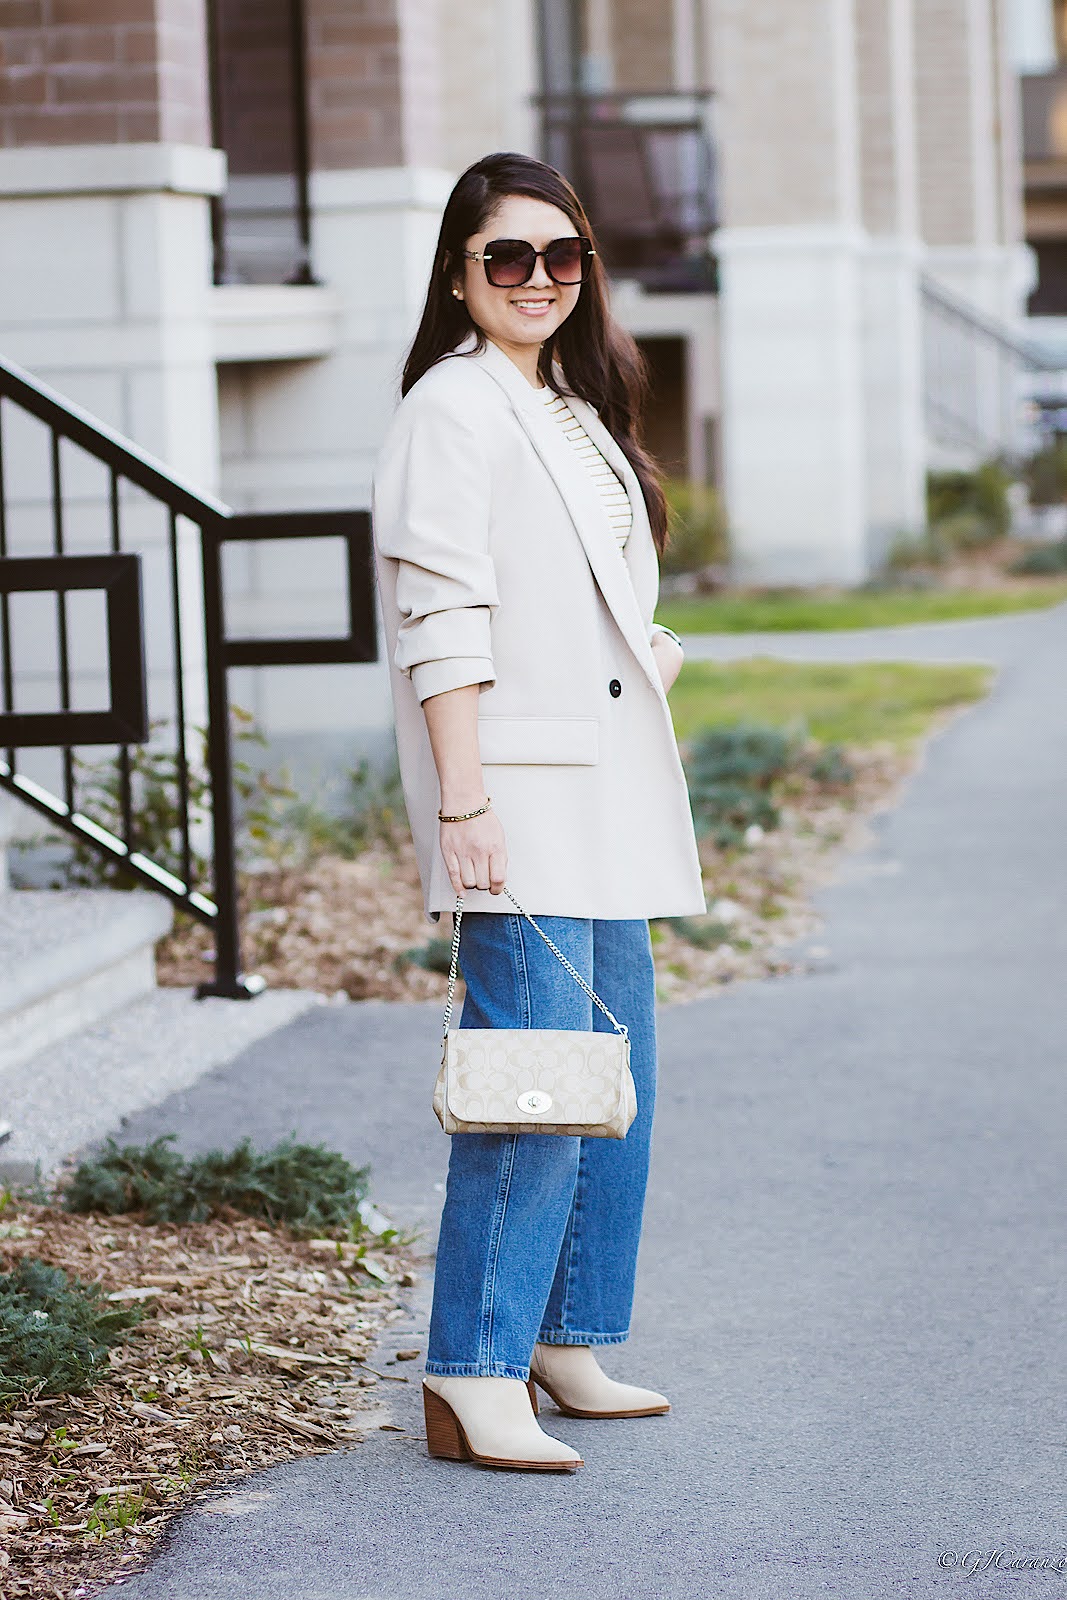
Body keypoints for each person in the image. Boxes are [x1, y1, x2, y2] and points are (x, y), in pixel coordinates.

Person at [371, 151, 706, 1473]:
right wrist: (465, 804)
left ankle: (568, 1336)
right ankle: (470, 1370)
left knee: (615, 1081)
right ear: (460, 272)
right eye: (507, 257)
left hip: (605, 792)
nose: (538, 280)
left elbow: (602, 594)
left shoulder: (563, 400)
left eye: (561, 257)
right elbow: (440, 613)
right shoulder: (453, 408)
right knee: (532, 1085)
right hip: (515, 797)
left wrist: (655, 655)